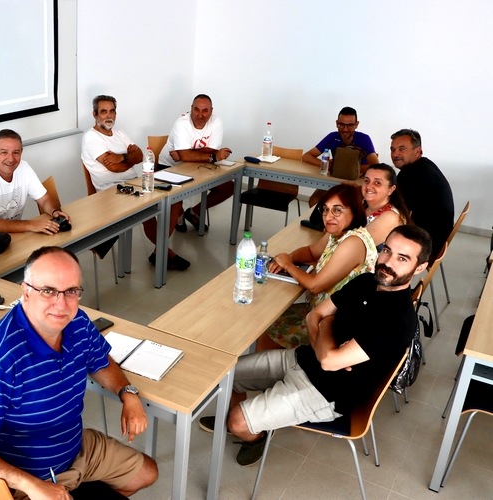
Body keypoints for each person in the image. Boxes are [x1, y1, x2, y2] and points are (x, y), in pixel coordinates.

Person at [201, 225, 431, 467]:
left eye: (402, 258)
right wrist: (325, 337)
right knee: (225, 375)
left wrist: (326, 328)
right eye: (387, 251)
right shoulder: (365, 281)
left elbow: (328, 361)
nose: (388, 262)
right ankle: (251, 419)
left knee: (237, 422)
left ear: (420, 267)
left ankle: (255, 435)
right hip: (302, 358)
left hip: (327, 392)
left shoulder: (398, 320)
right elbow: (315, 316)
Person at [0, 247, 159, 499]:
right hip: (26, 476)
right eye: (48, 291)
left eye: (71, 291)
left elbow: (100, 362)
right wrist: (29, 484)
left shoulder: (77, 322)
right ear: (26, 291)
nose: (61, 304)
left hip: (73, 448)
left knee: (147, 473)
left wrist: (128, 392)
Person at [258, 184, 377, 350]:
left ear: (355, 211)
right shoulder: (339, 232)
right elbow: (312, 251)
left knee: (267, 327)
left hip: (332, 324)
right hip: (321, 311)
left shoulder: (353, 243)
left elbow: (315, 286)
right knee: (268, 318)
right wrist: (289, 258)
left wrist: (288, 265)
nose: (328, 216)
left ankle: (273, 364)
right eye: (325, 209)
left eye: (337, 210)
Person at [82, 95, 189, 270]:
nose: (108, 116)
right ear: (95, 114)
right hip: (112, 191)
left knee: (175, 201)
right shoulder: (91, 137)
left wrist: (123, 157)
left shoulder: (120, 133)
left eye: (112, 111)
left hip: (136, 183)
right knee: (148, 209)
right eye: (103, 112)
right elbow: (114, 168)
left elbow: (139, 156)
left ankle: (159, 251)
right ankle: (165, 253)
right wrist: (129, 160)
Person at [0, 129, 71, 241]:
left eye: (15, 152)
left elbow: (45, 199)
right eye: (4, 152)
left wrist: (55, 212)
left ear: (21, 152)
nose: (10, 159)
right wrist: (31, 225)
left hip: (6, 237)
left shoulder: (24, 168)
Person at [158, 94, 234, 233]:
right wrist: (212, 156)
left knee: (228, 187)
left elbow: (209, 150)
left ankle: (193, 212)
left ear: (211, 111)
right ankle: (179, 214)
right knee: (175, 197)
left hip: (195, 165)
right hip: (169, 166)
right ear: (191, 108)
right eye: (196, 109)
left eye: (205, 110)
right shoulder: (182, 123)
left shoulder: (216, 121)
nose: (200, 114)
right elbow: (206, 154)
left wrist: (186, 153)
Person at [390, 128, 454, 258]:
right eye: (392, 149)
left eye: (402, 149)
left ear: (417, 151)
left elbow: (392, 208)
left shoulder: (410, 175)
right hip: (437, 238)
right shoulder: (425, 164)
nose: (395, 154)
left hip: (426, 245)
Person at [302, 107, 379, 206]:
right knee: (315, 201)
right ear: (336, 123)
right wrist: (326, 165)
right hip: (334, 181)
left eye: (350, 125)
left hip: (356, 183)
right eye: (341, 124)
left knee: (353, 206)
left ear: (356, 125)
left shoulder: (364, 139)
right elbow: (306, 156)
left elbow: (376, 166)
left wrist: (351, 169)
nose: (345, 129)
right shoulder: (332, 137)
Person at [362, 163, 409, 249]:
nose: (369, 186)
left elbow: (357, 247)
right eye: (366, 180)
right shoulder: (364, 204)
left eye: (377, 183)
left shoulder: (391, 217)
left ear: (390, 190)